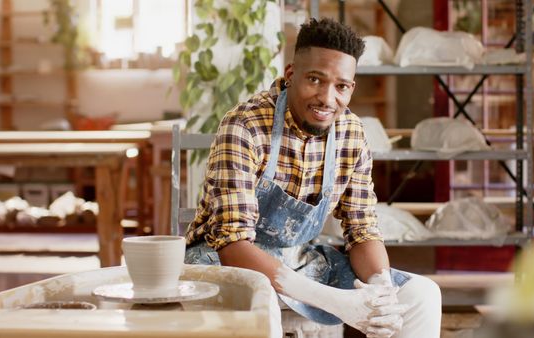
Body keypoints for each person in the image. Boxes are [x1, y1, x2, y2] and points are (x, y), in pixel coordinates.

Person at [184, 17, 441, 338]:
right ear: (291, 74)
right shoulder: (245, 125)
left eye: (341, 86)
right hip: (221, 263)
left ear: (351, 88)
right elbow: (232, 244)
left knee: (421, 295)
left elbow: (362, 231)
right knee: (261, 306)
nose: (327, 98)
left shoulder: (351, 133)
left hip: (299, 260)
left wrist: (381, 291)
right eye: (315, 80)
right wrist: (337, 301)